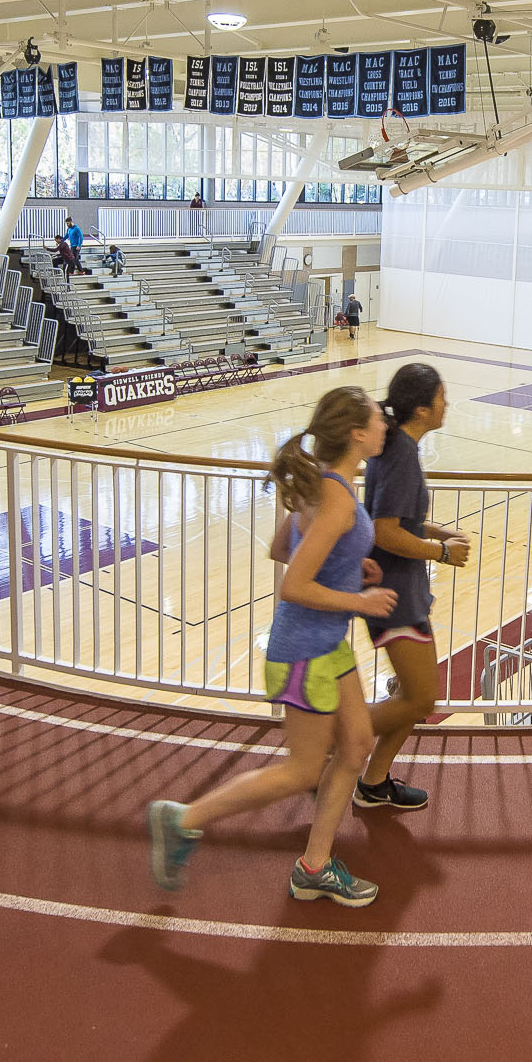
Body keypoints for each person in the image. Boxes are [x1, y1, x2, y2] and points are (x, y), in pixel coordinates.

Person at [147, 386, 395, 906]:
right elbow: (294, 585)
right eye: (377, 418)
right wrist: (361, 600)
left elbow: (284, 547)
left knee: (354, 747)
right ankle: (183, 819)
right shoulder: (335, 497)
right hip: (306, 650)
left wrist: (351, 564)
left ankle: (314, 866)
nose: (384, 424)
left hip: (326, 645)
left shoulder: (323, 485)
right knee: (302, 770)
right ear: (356, 433)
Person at [356, 364, 473, 812]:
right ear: (422, 407)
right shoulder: (402, 454)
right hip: (395, 595)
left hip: (401, 591)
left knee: (410, 696)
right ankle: (337, 739)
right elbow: (386, 532)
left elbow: (397, 517)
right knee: (421, 697)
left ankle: (374, 781)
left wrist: (438, 532)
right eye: (443, 397)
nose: (448, 404)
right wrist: (439, 553)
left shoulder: (397, 448)